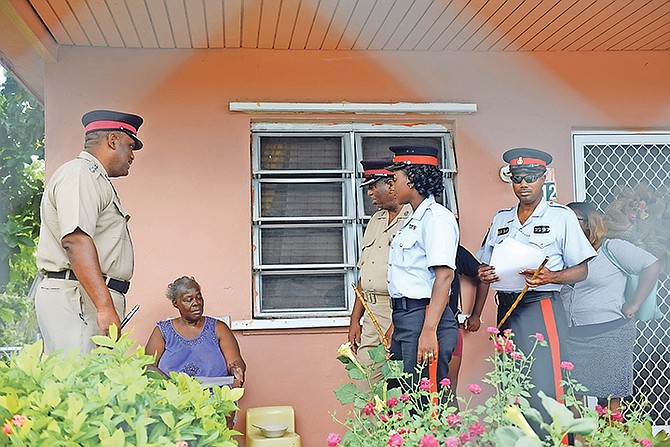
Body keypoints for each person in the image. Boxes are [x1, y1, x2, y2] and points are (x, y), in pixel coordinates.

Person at [476, 147, 596, 420]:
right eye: (517, 178)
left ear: (543, 179)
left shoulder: (561, 216)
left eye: (530, 177)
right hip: (506, 307)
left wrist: (551, 277)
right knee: (511, 381)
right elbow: (485, 262)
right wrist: (484, 273)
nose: (523, 184)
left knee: (547, 380)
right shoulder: (500, 219)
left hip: (540, 306)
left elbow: (582, 270)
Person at [35, 109, 144, 353]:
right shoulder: (80, 174)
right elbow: (75, 241)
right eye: (130, 146)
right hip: (80, 298)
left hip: (87, 296)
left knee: (96, 385)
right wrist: (105, 306)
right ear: (112, 140)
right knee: (81, 384)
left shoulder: (95, 178)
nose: (132, 156)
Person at [561, 202, 662, 412]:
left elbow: (652, 265)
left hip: (610, 334)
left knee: (609, 400)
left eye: (571, 220)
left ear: (589, 224)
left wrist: (634, 304)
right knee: (572, 397)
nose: (564, 225)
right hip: (571, 336)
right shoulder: (561, 253)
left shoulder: (611, 248)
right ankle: (580, 445)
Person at [386, 145, 459, 388]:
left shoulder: (436, 218)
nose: (391, 186)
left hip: (426, 318)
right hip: (407, 318)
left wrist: (429, 331)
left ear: (413, 179)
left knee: (427, 400)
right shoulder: (413, 219)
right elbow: (411, 278)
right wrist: (396, 323)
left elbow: (445, 276)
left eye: (395, 179)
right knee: (404, 397)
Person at [348, 159, 412, 389]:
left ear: (391, 184)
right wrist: (356, 318)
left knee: (399, 387)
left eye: (374, 186)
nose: (370, 193)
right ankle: (369, 427)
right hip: (371, 312)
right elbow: (365, 273)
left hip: (400, 310)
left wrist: (396, 321)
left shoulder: (414, 217)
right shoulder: (376, 219)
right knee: (365, 384)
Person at [145, 276, 246, 386]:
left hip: (214, 396)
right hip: (174, 398)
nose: (196, 303)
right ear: (175, 303)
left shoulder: (218, 327)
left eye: (199, 297)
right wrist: (172, 386)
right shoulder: (163, 331)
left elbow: (235, 361)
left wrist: (237, 368)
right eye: (189, 300)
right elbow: (148, 366)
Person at [447, 245, 490, 392]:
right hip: (416, 324)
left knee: (448, 389)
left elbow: (485, 276)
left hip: (449, 326)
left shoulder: (455, 250)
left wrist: (476, 314)